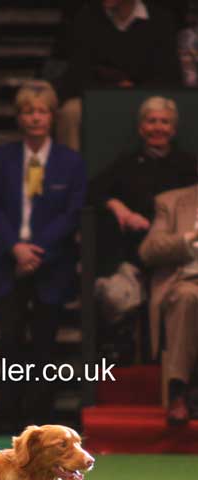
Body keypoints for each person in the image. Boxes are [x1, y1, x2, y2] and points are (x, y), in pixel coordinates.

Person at [0, 81, 87, 432]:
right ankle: (7, 418)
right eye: (29, 111)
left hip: (51, 264)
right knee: (9, 342)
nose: (35, 118)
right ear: (20, 117)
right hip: (8, 261)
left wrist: (37, 249)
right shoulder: (2, 158)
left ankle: (42, 421)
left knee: (45, 344)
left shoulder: (70, 162)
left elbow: (72, 213)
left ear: (52, 117)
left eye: (41, 111)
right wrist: (16, 247)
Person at [89, 96, 198, 359]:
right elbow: (94, 190)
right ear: (141, 128)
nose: (158, 127)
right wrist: (120, 209)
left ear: (173, 129)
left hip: (178, 258)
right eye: (152, 121)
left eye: (164, 122)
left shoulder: (189, 165)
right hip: (135, 254)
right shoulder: (126, 163)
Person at [57, 0, 181, 151]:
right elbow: (77, 73)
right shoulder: (87, 17)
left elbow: (170, 75)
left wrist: (134, 90)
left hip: (147, 96)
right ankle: (70, 172)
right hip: (98, 94)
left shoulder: (160, 20)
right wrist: (110, 88)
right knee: (70, 112)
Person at [139, 184, 198, 425]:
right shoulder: (172, 202)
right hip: (187, 281)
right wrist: (189, 237)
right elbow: (148, 250)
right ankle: (178, 393)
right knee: (186, 297)